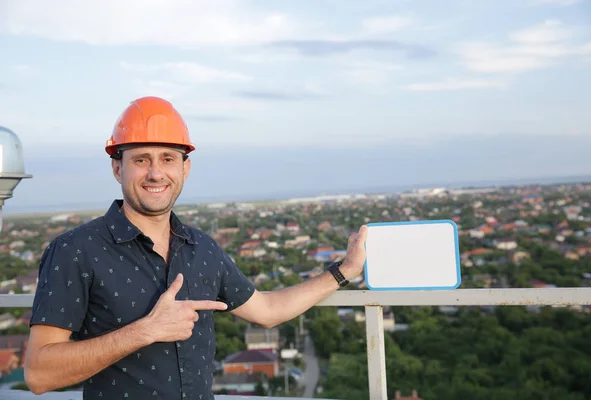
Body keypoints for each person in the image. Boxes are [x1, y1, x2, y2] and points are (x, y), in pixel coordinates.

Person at [24, 96, 368, 399]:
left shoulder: (201, 248)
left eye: (168, 159)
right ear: (117, 167)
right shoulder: (75, 250)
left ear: (185, 168)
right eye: (141, 159)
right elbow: (39, 373)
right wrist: (145, 331)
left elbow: (267, 310)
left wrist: (343, 271)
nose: (156, 173)